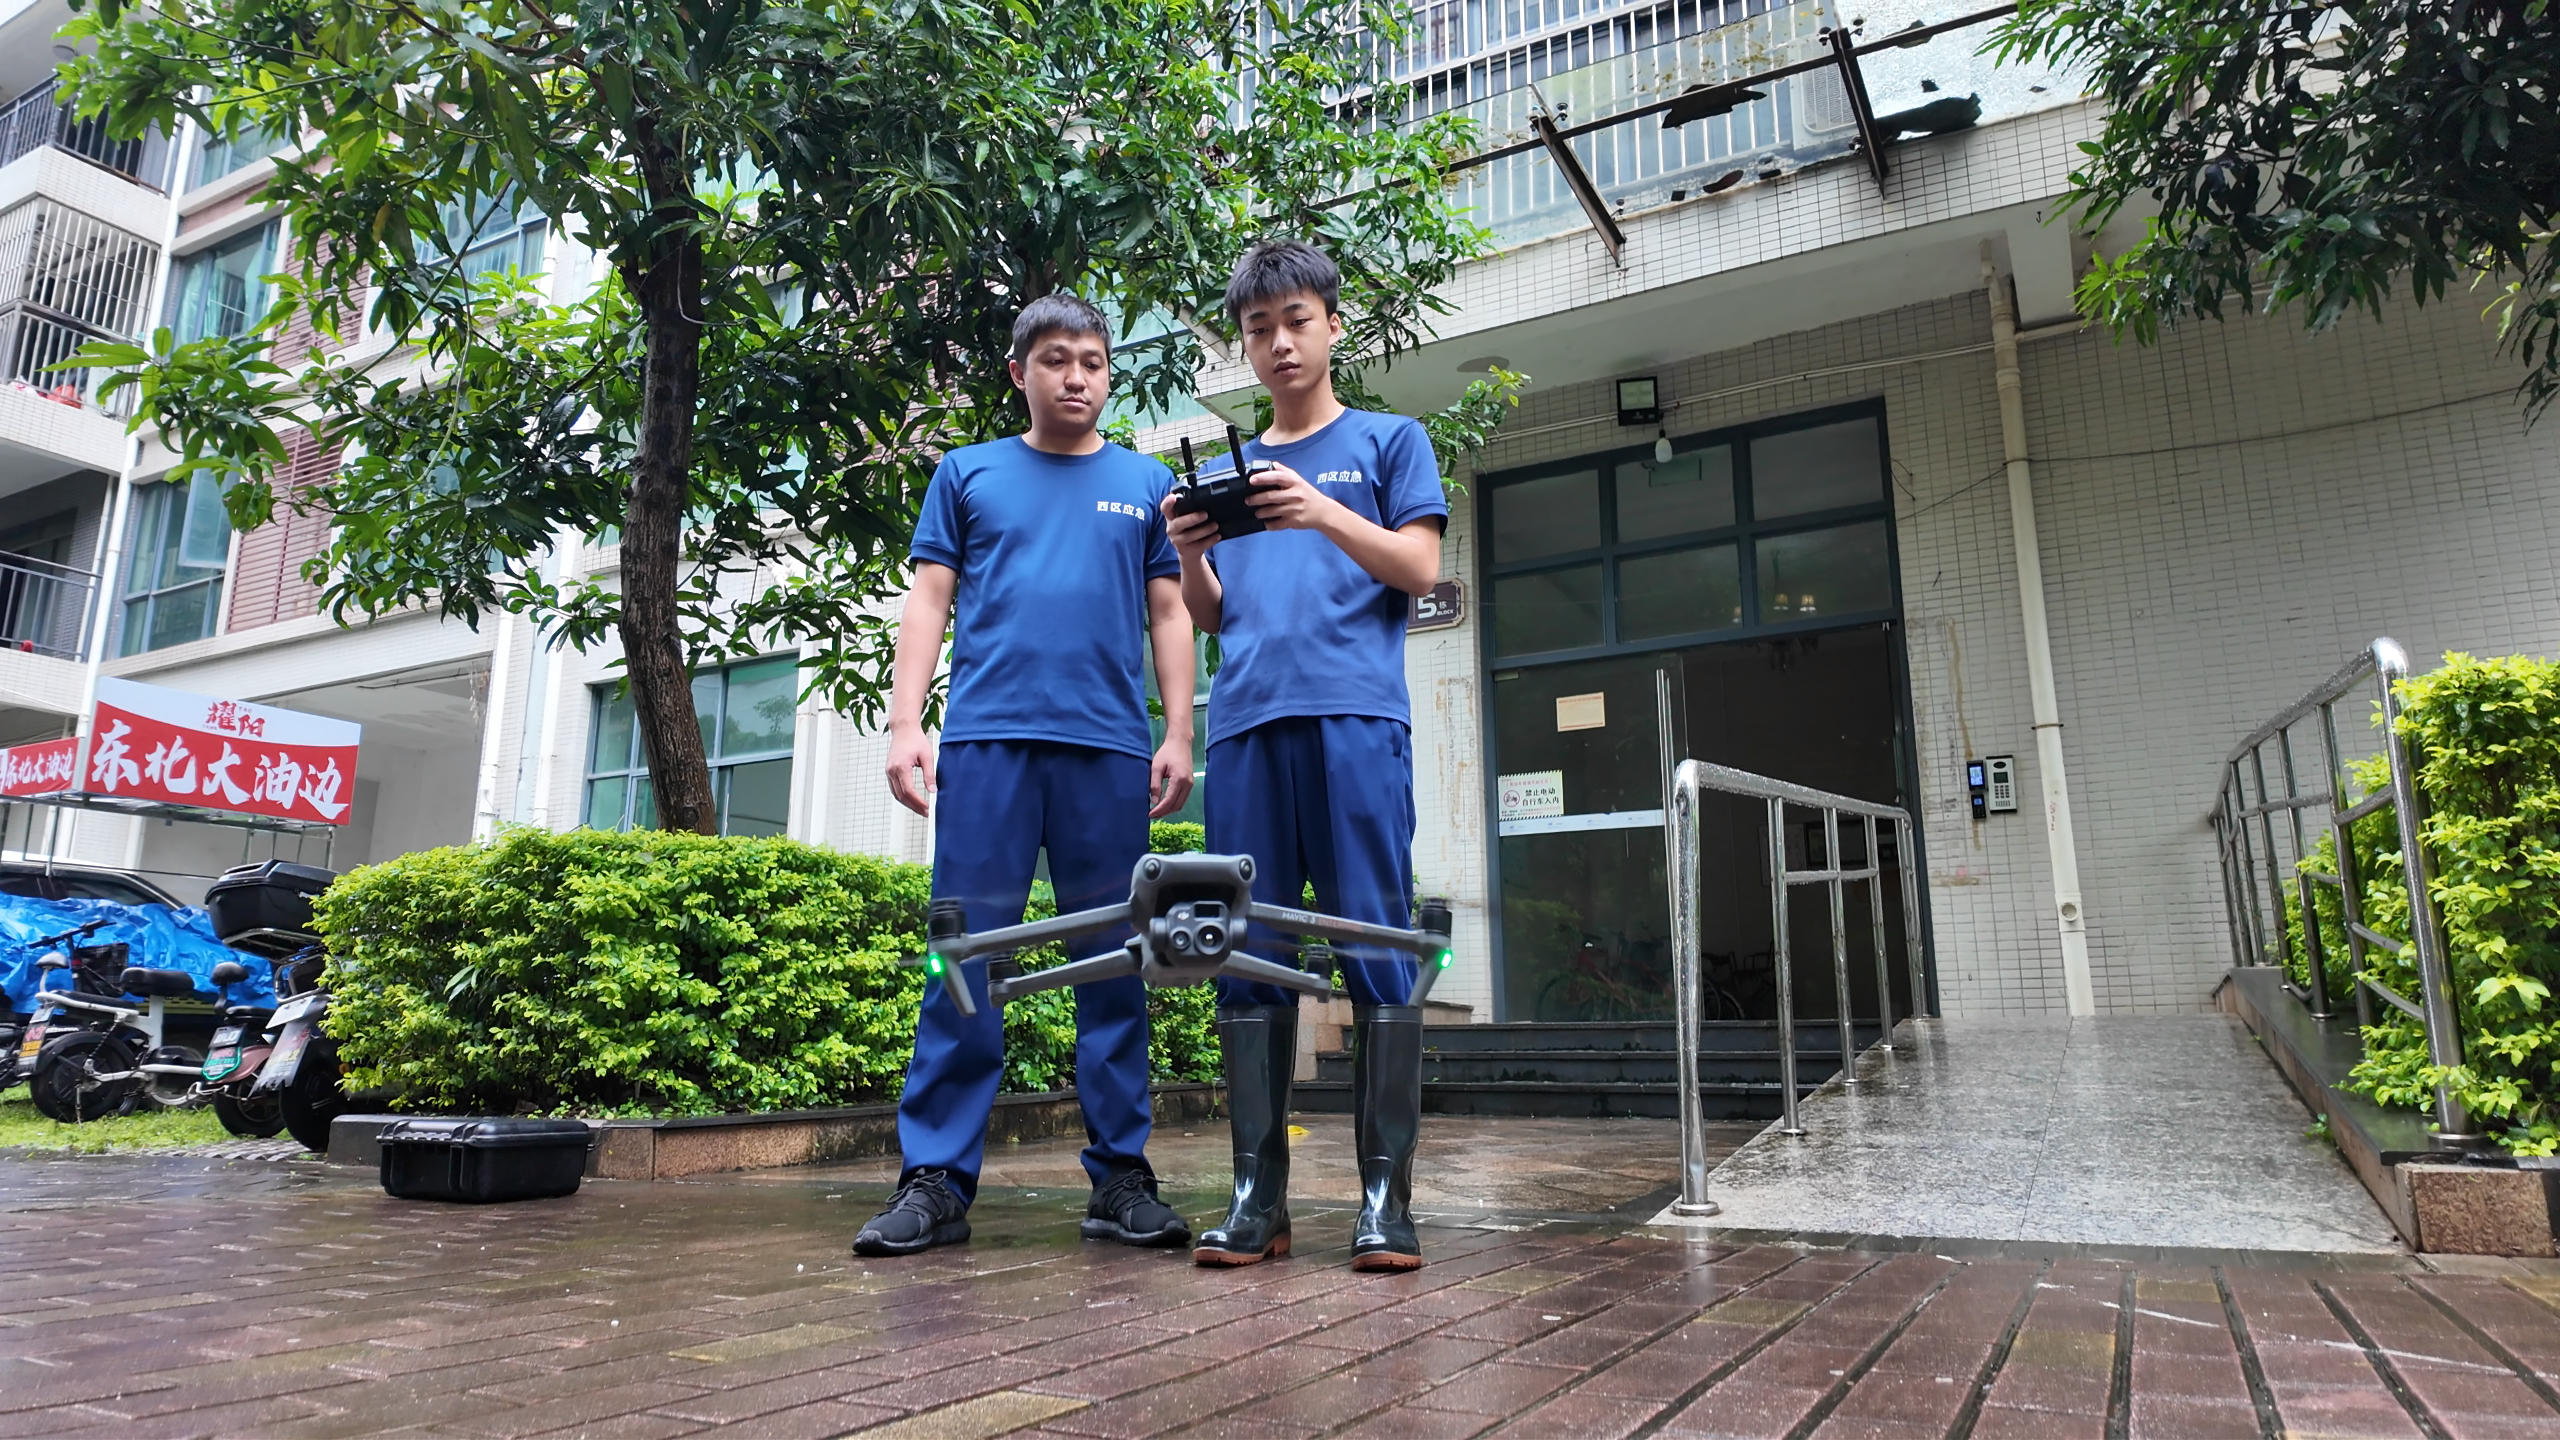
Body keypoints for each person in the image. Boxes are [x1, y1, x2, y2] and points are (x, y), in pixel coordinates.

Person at [856, 293, 1198, 1258]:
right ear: (1020, 373)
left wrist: (1178, 732)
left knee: (1117, 959)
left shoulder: (1146, 483)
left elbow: (1169, 613)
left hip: (1107, 752)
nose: (1076, 377)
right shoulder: (967, 473)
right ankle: (935, 1178)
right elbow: (929, 600)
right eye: (1056, 360)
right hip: (988, 745)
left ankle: (1121, 1175)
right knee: (962, 959)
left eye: (1092, 361)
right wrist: (906, 723)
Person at [1162, 240, 1447, 1271]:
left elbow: (1419, 567)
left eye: (1295, 321)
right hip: (1246, 725)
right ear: (1244, 346)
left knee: (1376, 941)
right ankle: (1257, 1200)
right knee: (1246, 954)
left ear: (1333, 324)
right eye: (1258, 328)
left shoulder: (1388, 441)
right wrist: (1189, 552)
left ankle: (1384, 1200)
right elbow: (1216, 615)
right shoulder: (1230, 472)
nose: (1278, 343)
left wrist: (1321, 508)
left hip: (1356, 720)